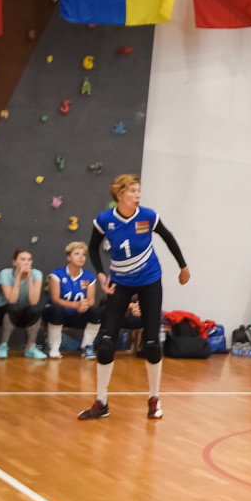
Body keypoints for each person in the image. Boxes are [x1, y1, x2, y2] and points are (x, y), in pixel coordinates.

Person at [78, 174, 191, 421]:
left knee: (152, 343)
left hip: (150, 281)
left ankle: (154, 399)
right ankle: (101, 402)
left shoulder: (147, 216)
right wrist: (100, 274)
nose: (137, 195)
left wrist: (182, 266)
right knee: (106, 343)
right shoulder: (105, 220)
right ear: (120, 194)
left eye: (139, 190)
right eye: (132, 191)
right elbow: (93, 248)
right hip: (120, 283)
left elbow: (168, 237)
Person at [44, 241, 103, 359]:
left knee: (96, 312)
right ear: (69, 257)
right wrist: (76, 305)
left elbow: (91, 300)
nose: (81, 257)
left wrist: (85, 305)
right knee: (57, 308)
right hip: (56, 314)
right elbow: (55, 299)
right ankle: (54, 347)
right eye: (77, 254)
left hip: (77, 314)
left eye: (83, 254)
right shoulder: (57, 274)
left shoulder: (89, 276)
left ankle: (87, 347)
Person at [0, 249, 47, 359]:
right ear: (14, 262)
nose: (27, 262)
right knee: (14, 307)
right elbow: (12, 300)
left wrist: (30, 278)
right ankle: (3, 345)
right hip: (4, 312)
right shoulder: (5, 273)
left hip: (24, 313)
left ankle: (30, 348)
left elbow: (34, 301)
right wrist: (18, 277)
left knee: (36, 309)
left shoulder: (37, 274)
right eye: (23, 259)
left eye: (29, 260)